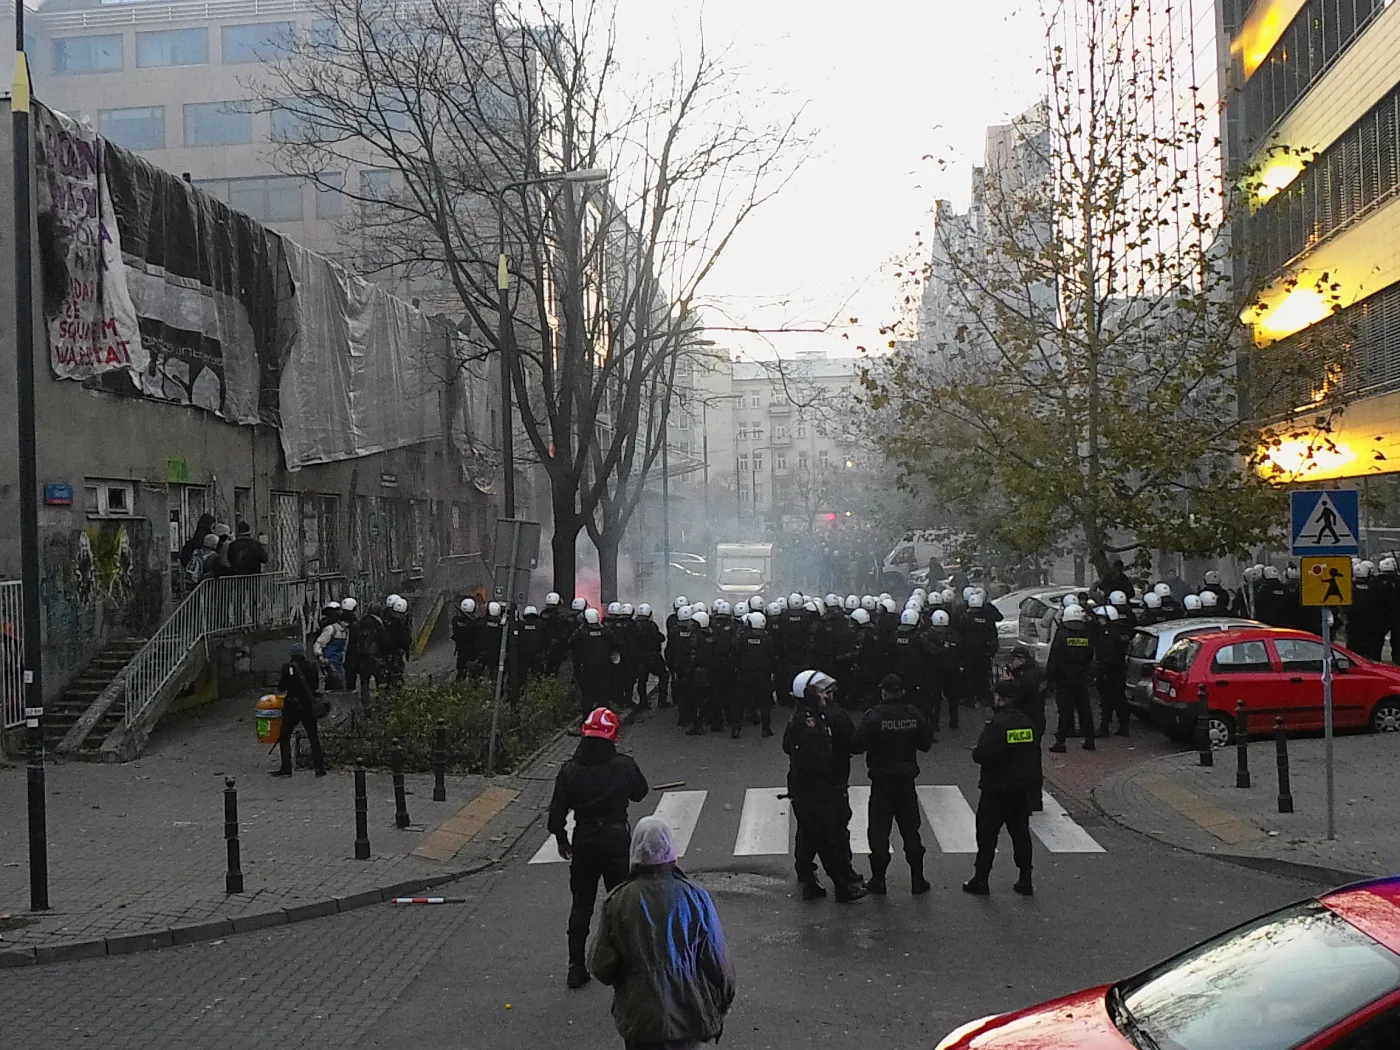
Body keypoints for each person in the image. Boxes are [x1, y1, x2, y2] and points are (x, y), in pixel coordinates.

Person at [589, 816, 737, 1049]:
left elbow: (601, 966)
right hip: (689, 1013)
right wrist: (724, 1000)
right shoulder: (695, 897)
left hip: (640, 1019)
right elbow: (718, 960)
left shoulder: (617, 901)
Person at [546, 707, 648, 989]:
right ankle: (627, 964)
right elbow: (641, 792)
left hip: (585, 840)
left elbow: (556, 814)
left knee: (581, 904)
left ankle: (576, 966)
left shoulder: (569, 770)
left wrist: (561, 839)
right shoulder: (623, 765)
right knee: (620, 902)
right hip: (615, 840)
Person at [783, 669, 866, 903]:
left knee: (809, 834)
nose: (827, 695)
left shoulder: (805, 715)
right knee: (829, 837)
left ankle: (808, 878)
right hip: (817, 789)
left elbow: (787, 745)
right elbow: (816, 758)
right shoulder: (810, 721)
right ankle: (842, 886)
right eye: (821, 691)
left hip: (808, 788)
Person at [852, 673, 935, 895]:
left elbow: (857, 745)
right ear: (902, 692)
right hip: (906, 782)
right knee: (911, 831)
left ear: (884, 692)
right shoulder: (913, 714)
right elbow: (926, 743)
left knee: (879, 833)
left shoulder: (874, 716)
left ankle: (878, 880)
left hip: (882, 783)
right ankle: (918, 879)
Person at [964, 673, 1042, 896]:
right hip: (1019, 791)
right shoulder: (1027, 722)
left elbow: (982, 754)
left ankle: (981, 880)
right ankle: (1025, 879)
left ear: (998, 698)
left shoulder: (997, 724)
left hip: (996, 790)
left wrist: (977, 752)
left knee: (987, 836)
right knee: (1021, 835)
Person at [1047, 604, 1095, 752]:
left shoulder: (1062, 634)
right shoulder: (1086, 633)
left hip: (1064, 679)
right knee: (1084, 710)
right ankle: (1089, 740)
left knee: (1065, 711)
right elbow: (1090, 655)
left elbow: (1054, 657)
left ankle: (1060, 742)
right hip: (1081, 677)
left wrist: (1050, 678)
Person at [273, 643, 326, 777]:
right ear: (303, 653)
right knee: (313, 736)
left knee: (285, 736)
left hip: (292, 705)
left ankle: (286, 768)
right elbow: (315, 685)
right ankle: (319, 767)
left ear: (292, 654)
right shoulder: (312, 666)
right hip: (308, 705)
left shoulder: (288, 667)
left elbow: (281, 687)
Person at [734, 610, 777, 738]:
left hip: (745, 673)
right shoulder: (767, 638)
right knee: (765, 703)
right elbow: (773, 656)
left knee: (740, 702)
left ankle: (736, 729)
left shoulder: (743, 637)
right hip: (763, 674)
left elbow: (736, 654)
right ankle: (766, 729)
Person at [632, 604, 668, 710]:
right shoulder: (651, 625)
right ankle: (662, 701)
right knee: (664, 676)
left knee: (642, 680)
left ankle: (643, 703)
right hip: (652, 656)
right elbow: (659, 637)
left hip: (639, 657)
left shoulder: (634, 625)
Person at [313, 608, 351, 690]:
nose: (347, 624)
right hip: (329, 661)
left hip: (339, 661)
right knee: (334, 682)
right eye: (345, 621)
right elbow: (319, 643)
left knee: (341, 682)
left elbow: (344, 648)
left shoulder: (346, 632)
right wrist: (320, 656)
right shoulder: (331, 629)